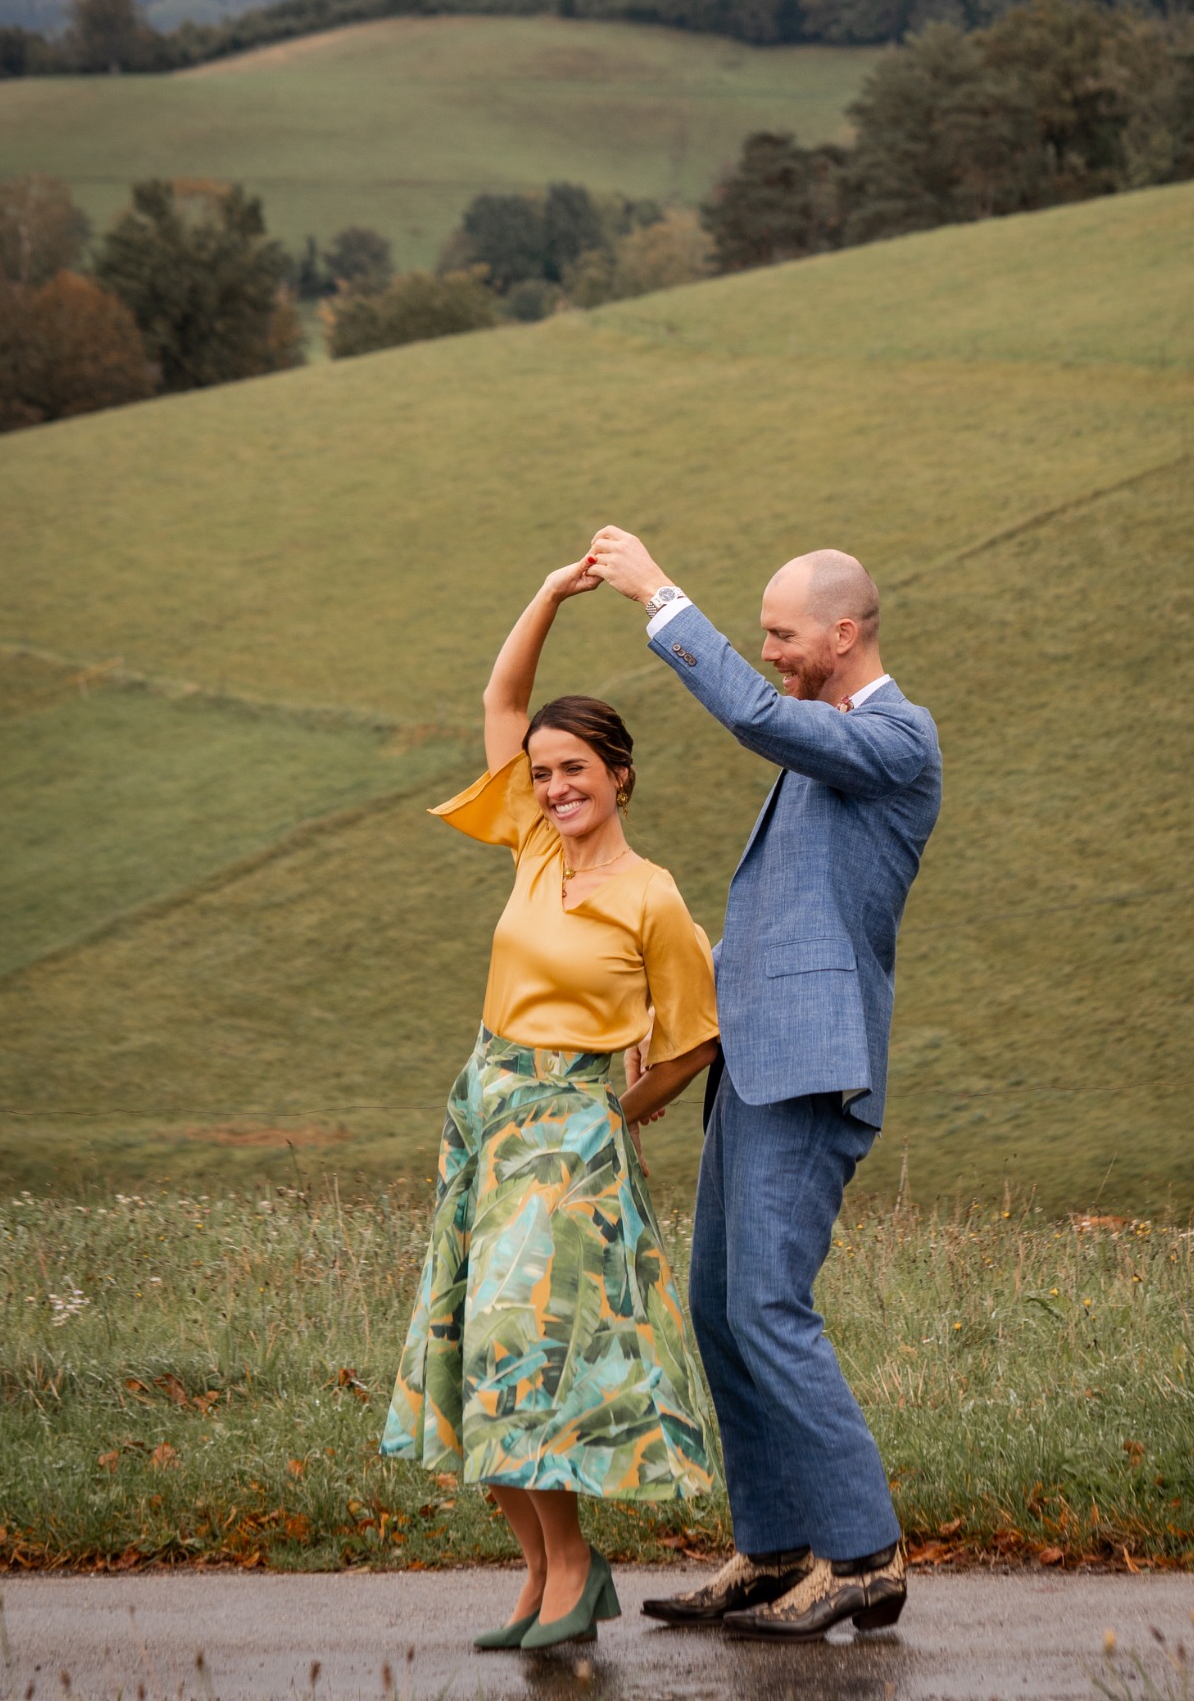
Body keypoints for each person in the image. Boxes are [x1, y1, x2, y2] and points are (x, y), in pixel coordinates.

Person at [587, 530, 942, 1642]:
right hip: (753, 1060)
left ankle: (864, 1552)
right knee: (720, 1305)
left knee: (768, 1305)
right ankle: (777, 1544)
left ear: (845, 633)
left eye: (783, 635)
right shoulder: (830, 737)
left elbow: (754, 715)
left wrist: (656, 594)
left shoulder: (895, 734)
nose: (771, 651)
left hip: (812, 1064)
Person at [380, 557, 720, 1653]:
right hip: (485, 1113)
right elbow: (500, 702)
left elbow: (694, 1035)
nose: (554, 783)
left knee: (528, 1350)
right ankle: (535, 1575)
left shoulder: (651, 894)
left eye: (575, 768)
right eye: (543, 770)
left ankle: (574, 1564)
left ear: (619, 773)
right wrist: (546, 593)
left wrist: (624, 1112)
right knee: (472, 1347)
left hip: (569, 1136)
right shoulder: (531, 844)